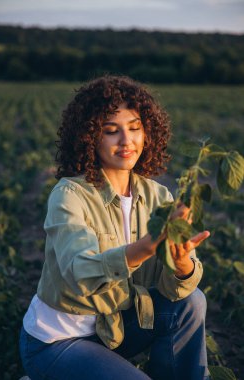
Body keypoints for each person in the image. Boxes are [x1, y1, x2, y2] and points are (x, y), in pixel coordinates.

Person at [19, 74, 211, 380]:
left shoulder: (158, 196)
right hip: (58, 341)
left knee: (191, 302)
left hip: (116, 332)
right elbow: (78, 273)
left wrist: (182, 263)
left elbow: (173, 289)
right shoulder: (70, 194)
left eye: (135, 128)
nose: (126, 141)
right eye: (111, 131)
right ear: (89, 137)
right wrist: (147, 246)